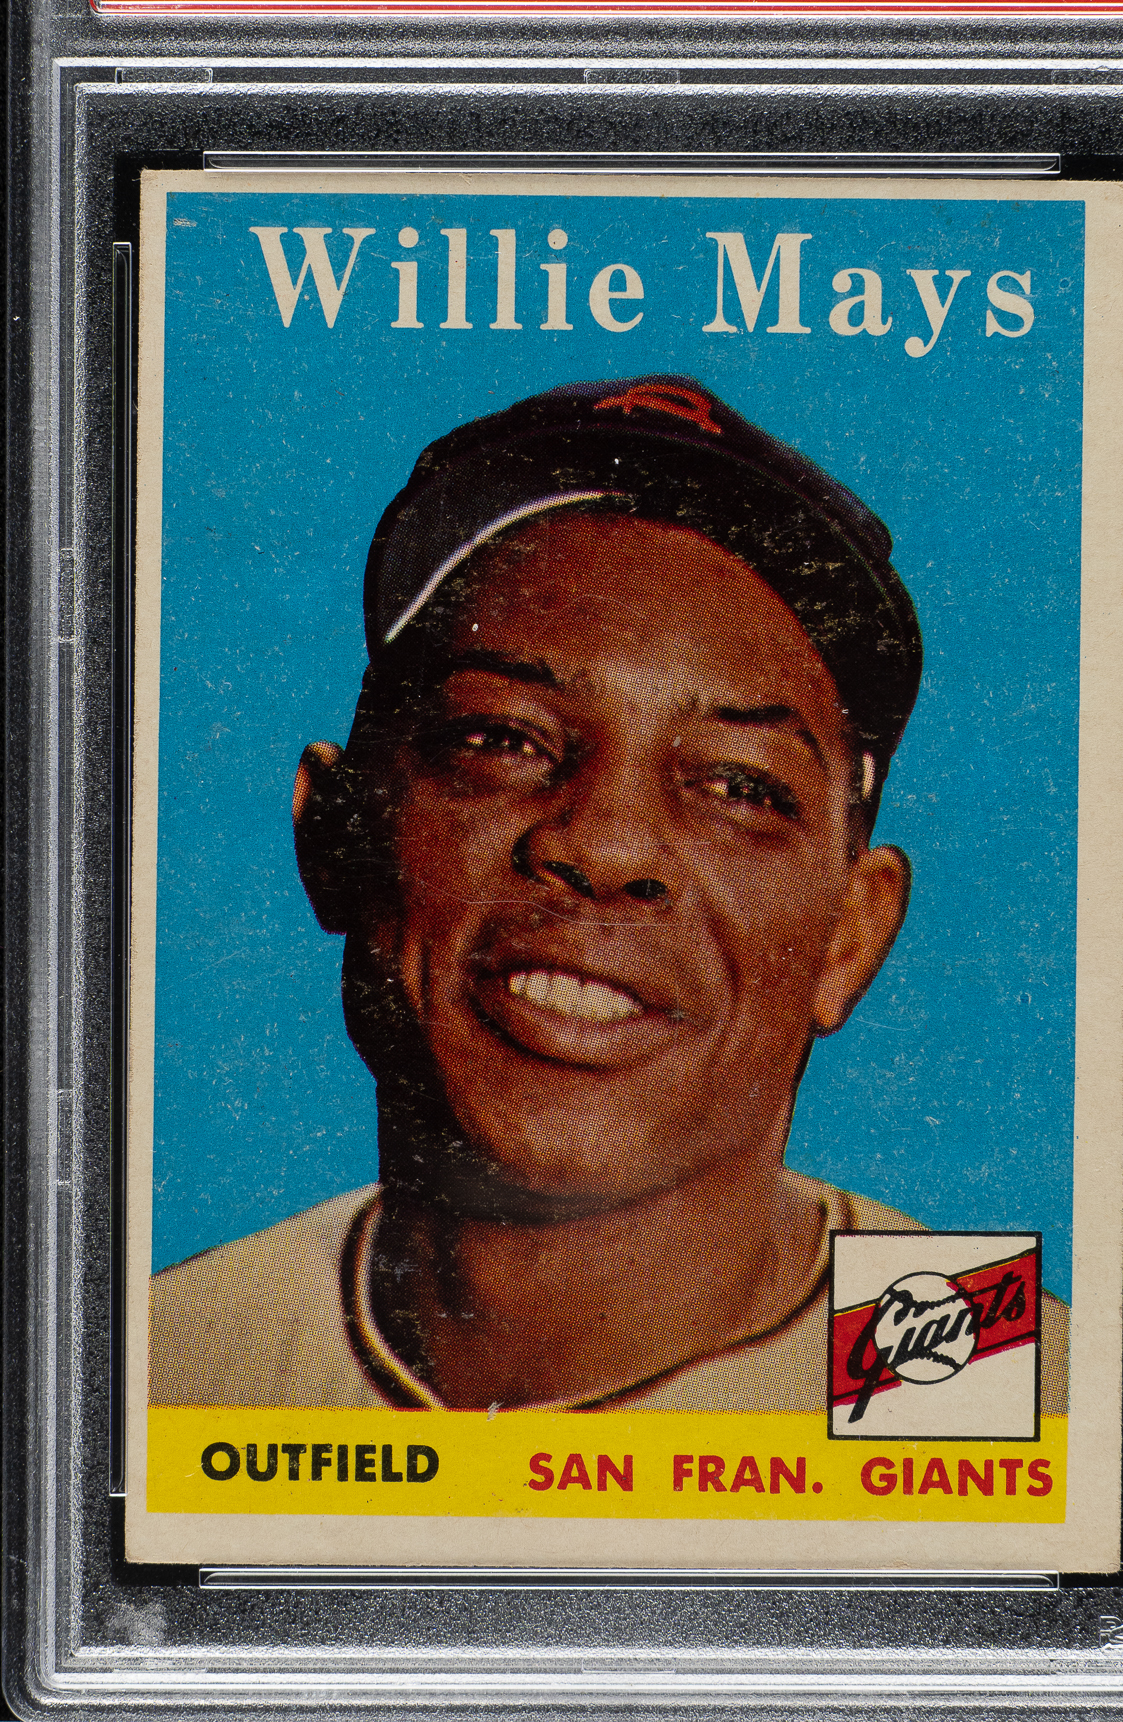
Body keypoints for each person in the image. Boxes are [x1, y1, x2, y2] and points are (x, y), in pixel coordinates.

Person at [150, 375, 1068, 1413]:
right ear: (336, 834)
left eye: (738, 786)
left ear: (850, 938)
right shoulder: (159, 1371)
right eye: (502, 738)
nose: (605, 845)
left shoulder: (1004, 1389)